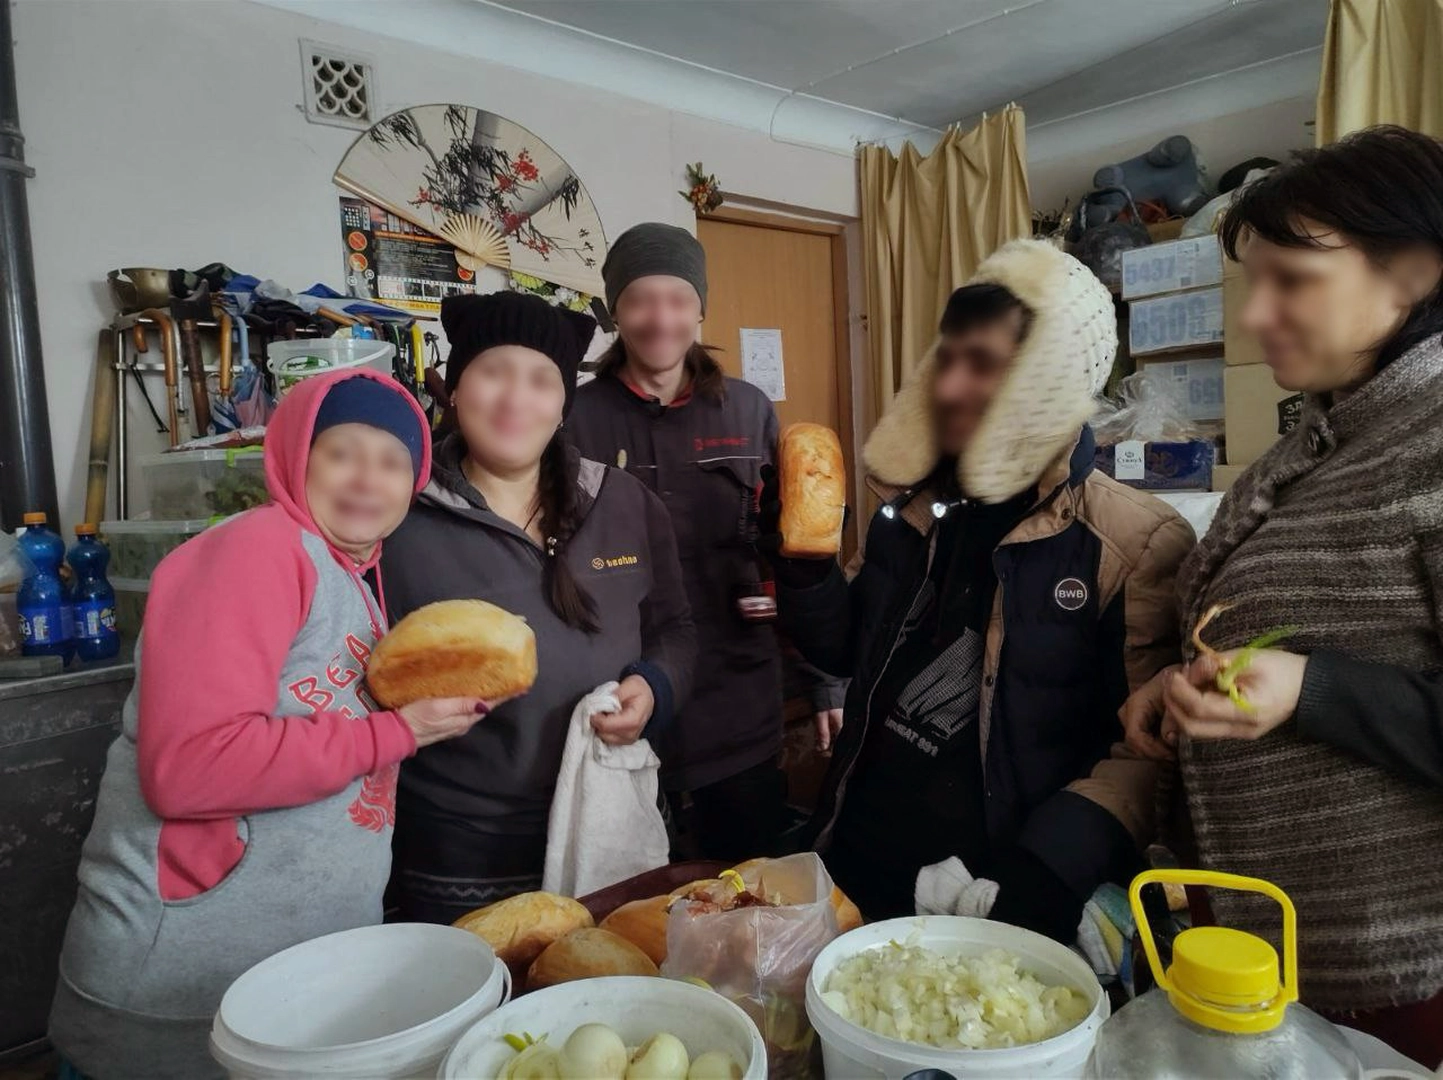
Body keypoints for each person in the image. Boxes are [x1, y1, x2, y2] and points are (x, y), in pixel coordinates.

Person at [48, 371, 486, 1080]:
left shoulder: (349, 577)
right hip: (175, 981)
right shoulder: (256, 550)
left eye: (393, 461)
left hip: (277, 979)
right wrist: (398, 733)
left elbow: (321, 722)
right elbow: (190, 767)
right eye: (343, 451)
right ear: (295, 457)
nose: (368, 478)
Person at [1119, 126, 1443, 1066]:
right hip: (1259, 944)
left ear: (1411, 278)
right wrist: (1189, 682)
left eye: (1292, 280)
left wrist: (1310, 692)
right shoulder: (1318, 439)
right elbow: (1280, 626)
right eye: (1250, 282)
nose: (1256, 314)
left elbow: (1317, 670)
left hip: (1392, 967)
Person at [763, 239, 1193, 942]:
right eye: (948, 357)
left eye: (986, 365)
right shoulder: (911, 511)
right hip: (853, 859)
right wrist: (803, 570)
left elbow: (1145, 753)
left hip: (990, 895)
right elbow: (848, 654)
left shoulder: (1135, 542)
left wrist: (1047, 869)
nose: (951, 385)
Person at [381, 290, 696, 922]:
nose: (515, 400)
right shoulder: (396, 517)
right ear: (456, 388)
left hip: (611, 826)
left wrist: (655, 687)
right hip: (459, 852)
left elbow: (676, 629)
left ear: (562, 403)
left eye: (540, 380)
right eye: (493, 373)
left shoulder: (623, 501)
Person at [568, 222, 845, 862]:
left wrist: (825, 677)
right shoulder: (575, 419)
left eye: (676, 299)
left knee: (744, 891)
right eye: (639, 299)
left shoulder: (750, 412)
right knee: (630, 892)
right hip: (620, 696)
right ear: (616, 311)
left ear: (699, 308)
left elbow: (795, 551)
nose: (659, 318)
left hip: (738, 699)